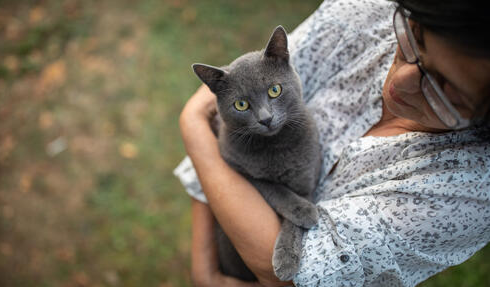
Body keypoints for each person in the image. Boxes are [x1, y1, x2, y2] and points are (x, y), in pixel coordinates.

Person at [174, 0, 490, 286]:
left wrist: (193, 127)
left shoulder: (472, 190)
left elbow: (283, 273)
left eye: (445, 88)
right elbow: (209, 126)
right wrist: (205, 271)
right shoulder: (365, 11)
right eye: (414, 39)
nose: (400, 81)